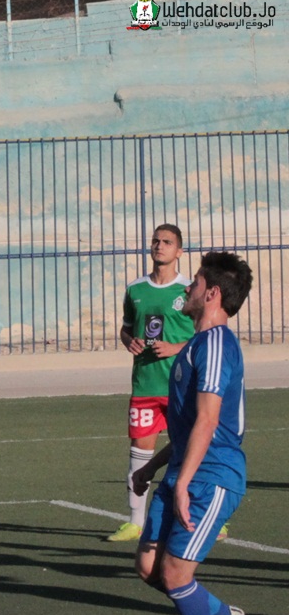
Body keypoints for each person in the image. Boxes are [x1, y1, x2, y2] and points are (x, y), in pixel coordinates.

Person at [130, 251, 253, 615]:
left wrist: (182, 484)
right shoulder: (196, 345)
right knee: (149, 567)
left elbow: (208, 420)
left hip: (211, 475)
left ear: (212, 293)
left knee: (176, 573)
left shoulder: (216, 343)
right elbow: (187, 428)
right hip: (185, 468)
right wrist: (153, 466)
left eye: (196, 282)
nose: (188, 288)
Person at [108, 225, 196, 542]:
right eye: (156, 241)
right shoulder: (135, 289)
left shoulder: (189, 290)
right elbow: (126, 328)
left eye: (167, 242)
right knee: (139, 453)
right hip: (145, 385)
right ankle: (135, 522)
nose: (159, 246)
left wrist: (175, 348)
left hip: (180, 387)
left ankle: (208, 516)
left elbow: (205, 336)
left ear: (179, 251)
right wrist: (129, 341)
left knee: (191, 451)